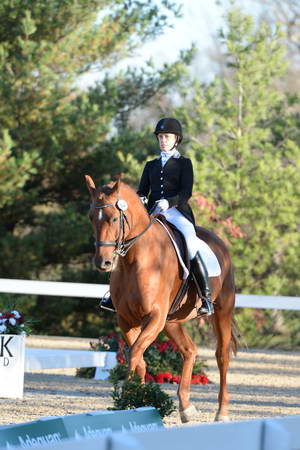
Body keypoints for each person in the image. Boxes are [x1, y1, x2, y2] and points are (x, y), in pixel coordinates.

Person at [100, 117, 219, 316]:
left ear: (176, 139)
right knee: (124, 241)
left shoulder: (184, 164)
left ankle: (205, 297)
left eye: (167, 137)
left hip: (177, 213)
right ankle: (114, 294)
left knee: (190, 242)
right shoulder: (151, 165)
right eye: (161, 137)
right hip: (152, 213)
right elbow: (142, 191)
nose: (163, 140)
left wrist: (169, 202)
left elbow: (185, 193)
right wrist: (141, 201)